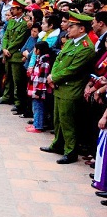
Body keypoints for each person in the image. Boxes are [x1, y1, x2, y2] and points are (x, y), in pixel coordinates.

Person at [41, 12, 96, 164]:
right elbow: (59, 60)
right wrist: (52, 76)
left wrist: (55, 77)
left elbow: (73, 69)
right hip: (60, 85)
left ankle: (70, 151)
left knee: (68, 122)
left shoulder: (86, 48)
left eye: (72, 26)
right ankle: (58, 144)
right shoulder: (72, 42)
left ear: (82, 29)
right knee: (58, 119)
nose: (68, 28)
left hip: (71, 88)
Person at [0, 0, 30, 115]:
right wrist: (4, 48)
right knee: (7, 77)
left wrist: (8, 49)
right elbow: (6, 36)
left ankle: (18, 102)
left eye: (14, 8)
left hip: (16, 55)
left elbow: (19, 40)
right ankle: (6, 96)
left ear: (20, 10)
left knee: (17, 80)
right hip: (8, 53)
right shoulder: (11, 21)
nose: (11, 10)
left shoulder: (25, 24)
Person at [26, 41, 52, 133]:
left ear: (39, 50)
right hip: (35, 87)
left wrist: (39, 90)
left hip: (39, 89)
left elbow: (42, 78)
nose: (34, 50)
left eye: (35, 49)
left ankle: (38, 126)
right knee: (36, 106)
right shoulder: (40, 59)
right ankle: (36, 123)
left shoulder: (45, 62)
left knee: (38, 107)